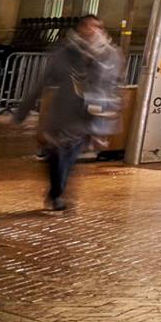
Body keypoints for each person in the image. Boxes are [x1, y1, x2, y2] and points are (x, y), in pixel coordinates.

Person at [15, 15, 122, 213]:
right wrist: (23, 110)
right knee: (56, 154)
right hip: (64, 111)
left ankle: (58, 193)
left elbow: (112, 84)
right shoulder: (64, 53)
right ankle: (57, 191)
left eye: (97, 26)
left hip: (89, 114)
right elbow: (43, 80)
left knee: (70, 156)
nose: (93, 31)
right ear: (80, 28)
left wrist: (110, 112)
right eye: (88, 26)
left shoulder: (109, 54)